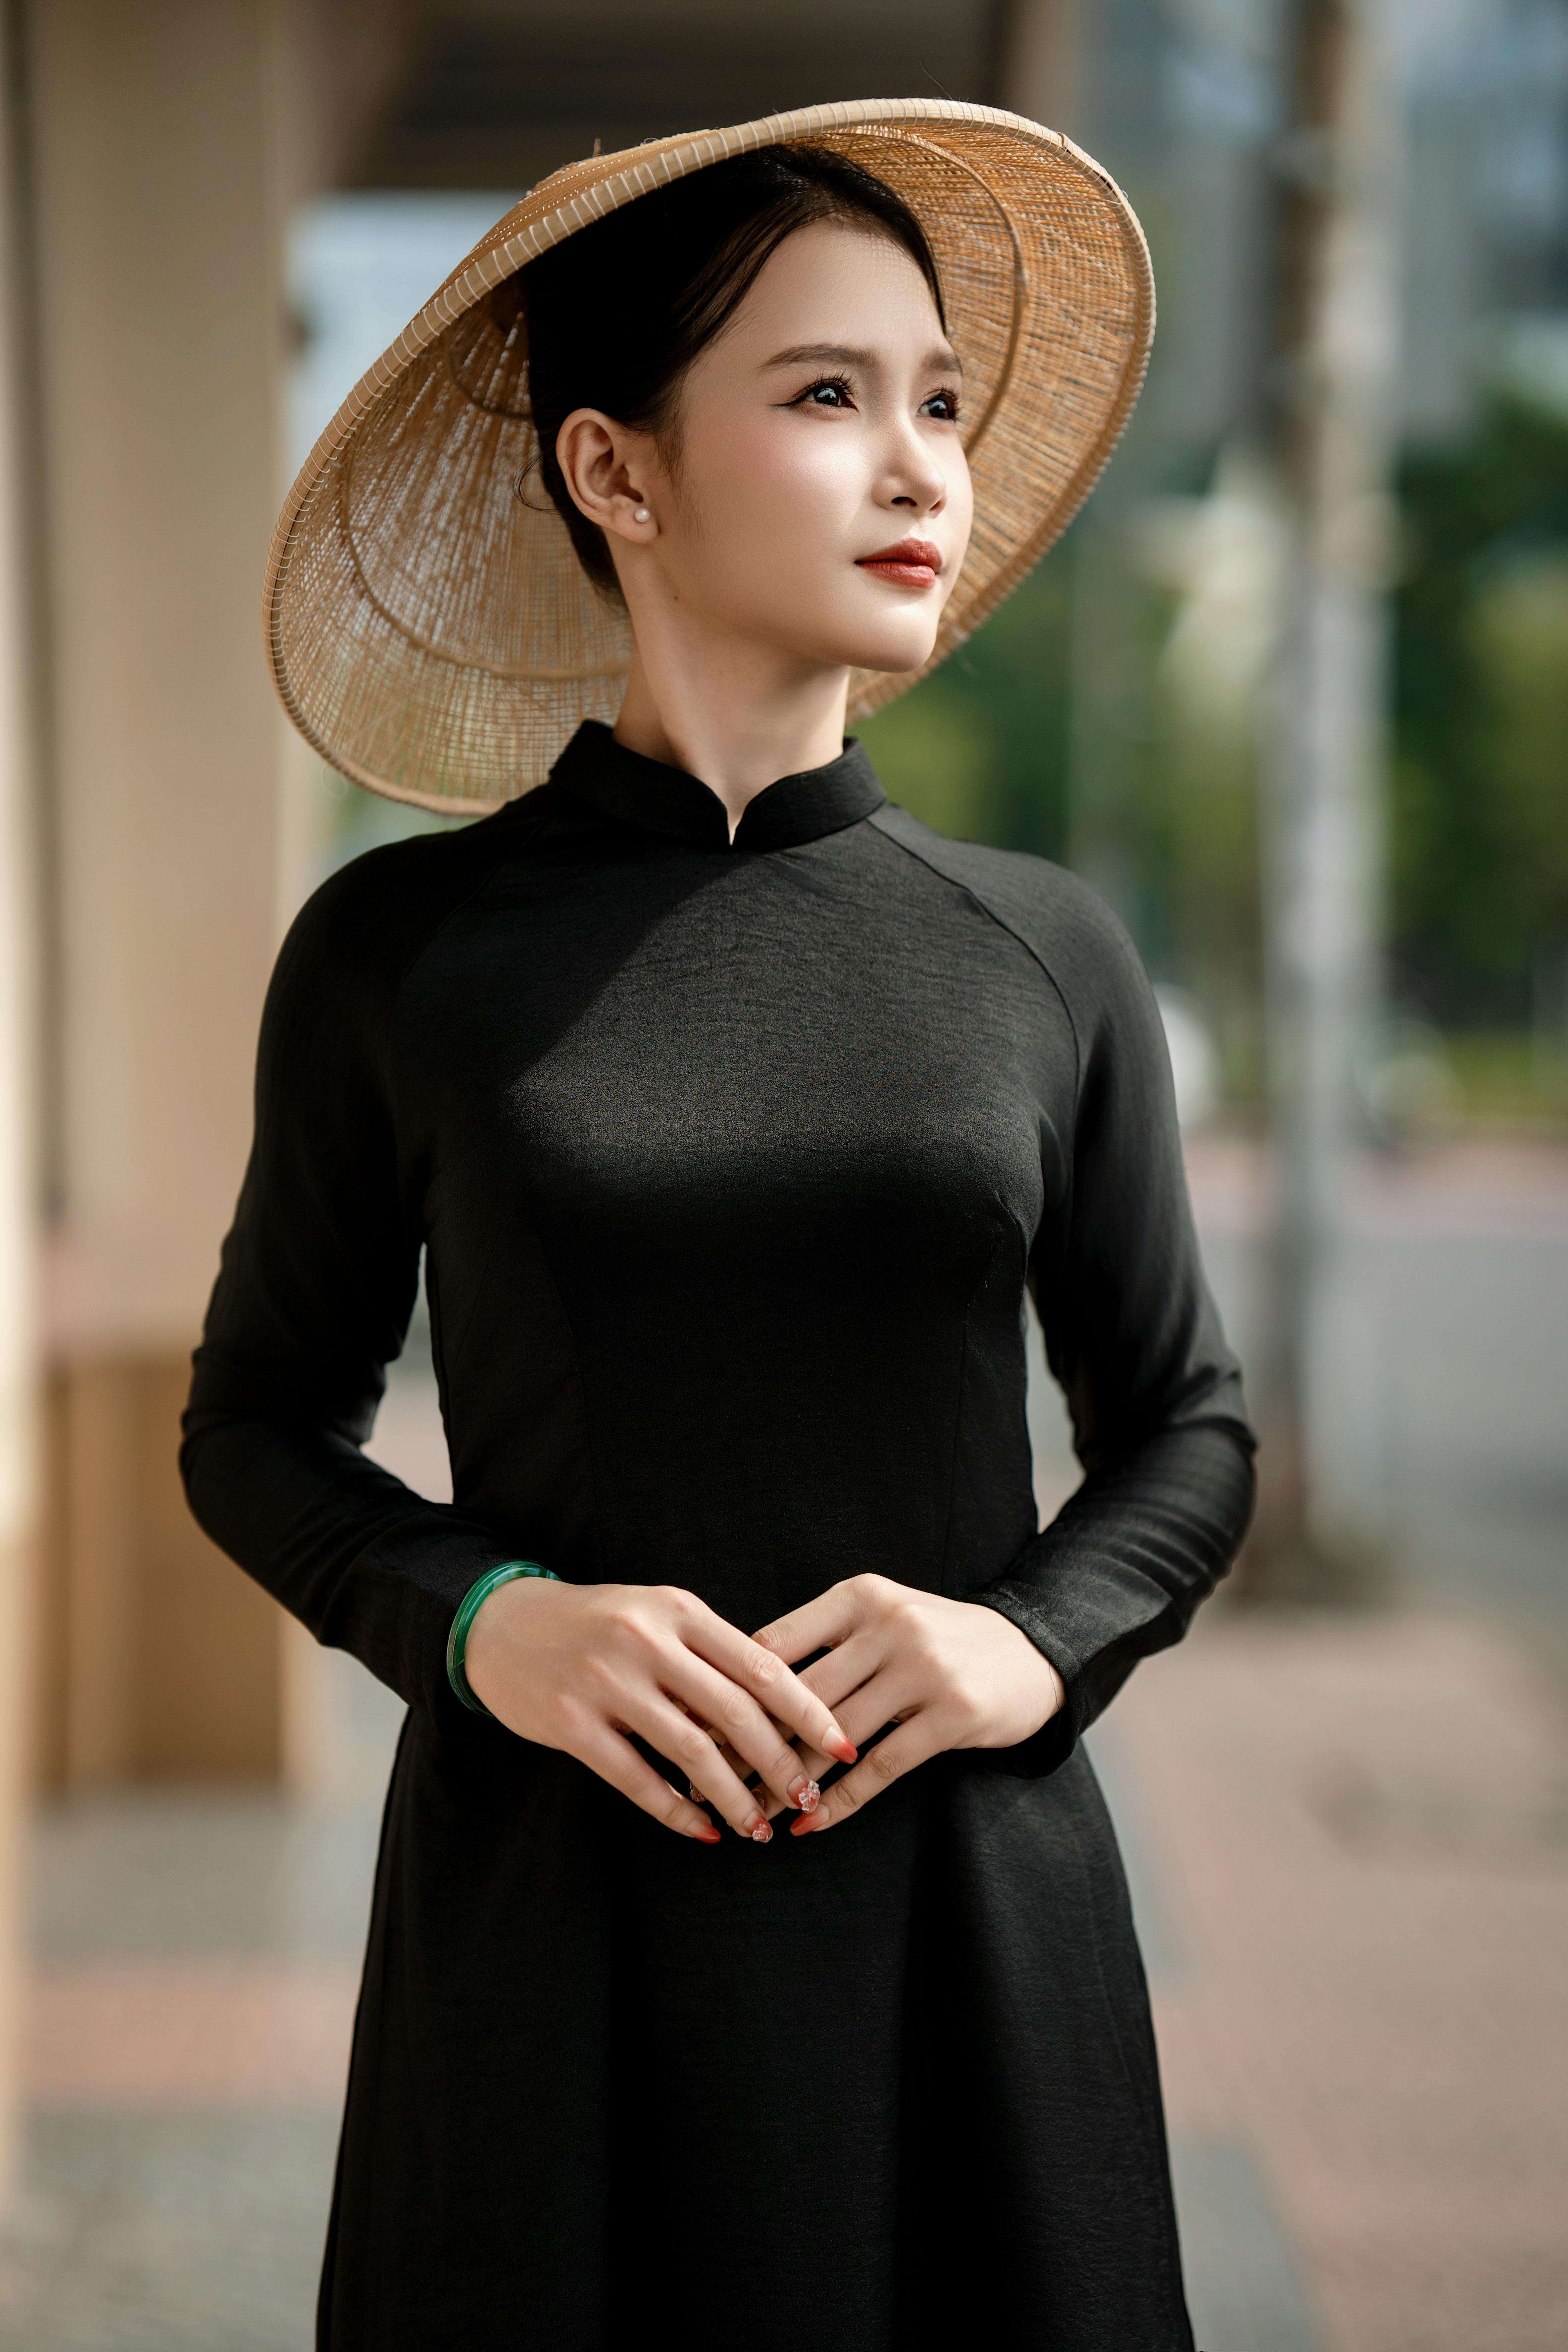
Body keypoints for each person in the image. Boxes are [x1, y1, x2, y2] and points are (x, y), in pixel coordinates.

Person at [183, 103, 1255, 2351]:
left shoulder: (1041, 951)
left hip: (971, 1935)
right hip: (550, 1949)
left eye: (939, 400)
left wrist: (1028, 1641)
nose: (920, 465)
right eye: (827, 393)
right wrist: (486, 1622)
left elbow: (1188, 1428)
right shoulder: (404, 953)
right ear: (617, 472)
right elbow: (255, 1426)